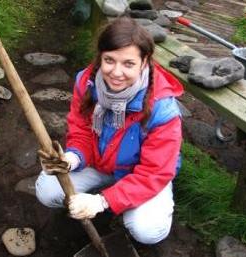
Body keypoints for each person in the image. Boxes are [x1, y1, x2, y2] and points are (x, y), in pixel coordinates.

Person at [35, 16, 183, 244]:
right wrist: (72, 159)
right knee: (47, 190)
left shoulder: (163, 110)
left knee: (147, 230)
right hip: (100, 163)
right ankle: (113, 190)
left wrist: (101, 202)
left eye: (128, 63)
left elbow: (154, 172)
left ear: (145, 62)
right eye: (109, 60)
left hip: (142, 175)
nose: (116, 72)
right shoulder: (87, 83)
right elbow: (81, 130)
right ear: (100, 57)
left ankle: (117, 197)